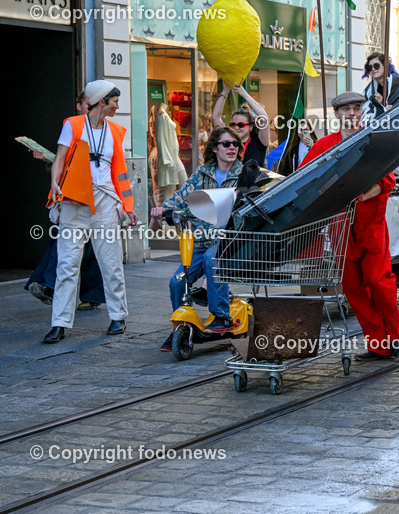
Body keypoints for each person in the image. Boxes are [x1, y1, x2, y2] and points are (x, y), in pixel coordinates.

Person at [300, 92, 399, 360]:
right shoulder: (324, 145)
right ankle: (377, 343)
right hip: (340, 230)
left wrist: (357, 194)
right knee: (353, 290)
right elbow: (302, 179)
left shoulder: (373, 139)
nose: (351, 113)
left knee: (378, 282)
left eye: (356, 108)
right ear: (336, 114)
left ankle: (396, 336)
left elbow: (388, 182)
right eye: (345, 109)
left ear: (361, 112)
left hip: (371, 226)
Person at [44, 80, 138, 343]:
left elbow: (120, 172)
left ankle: (118, 315)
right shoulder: (72, 125)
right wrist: (54, 183)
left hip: (105, 200)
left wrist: (127, 207)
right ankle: (59, 323)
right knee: (67, 264)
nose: (118, 106)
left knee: (110, 260)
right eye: (115, 101)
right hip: (74, 200)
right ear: (100, 102)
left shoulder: (116, 131)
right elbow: (60, 159)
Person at [152, 126, 243, 349]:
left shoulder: (245, 174)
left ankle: (221, 316)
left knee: (213, 259)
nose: (232, 148)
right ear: (215, 147)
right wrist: (163, 208)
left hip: (228, 241)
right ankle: (181, 324)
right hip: (200, 240)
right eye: (226, 144)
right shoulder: (202, 173)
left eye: (235, 144)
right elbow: (182, 197)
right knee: (177, 282)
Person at [27, 90, 105, 311]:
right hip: (73, 195)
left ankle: (49, 285)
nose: (89, 108)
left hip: (92, 194)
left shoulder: (98, 128)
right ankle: (53, 286)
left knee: (85, 245)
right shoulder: (73, 126)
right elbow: (66, 162)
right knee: (73, 243)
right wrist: (49, 162)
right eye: (86, 104)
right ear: (79, 105)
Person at [212, 82, 270, 167]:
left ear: (251, 127)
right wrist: (225, 92)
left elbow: (265, 119)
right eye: (232, 124)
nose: (236, 127)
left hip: (254, 180)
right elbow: (215, 118)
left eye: (241, 125)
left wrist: (244, 93)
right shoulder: (228, 141)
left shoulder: (259, 141)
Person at [361, 52, 399, 120]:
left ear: (385, 66)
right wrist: (382, 106)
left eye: (376, 66)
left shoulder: (398, 81)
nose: (373, 69)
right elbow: (365, 112)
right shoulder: (369, 91)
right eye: (370, 67)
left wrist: (386, 107)